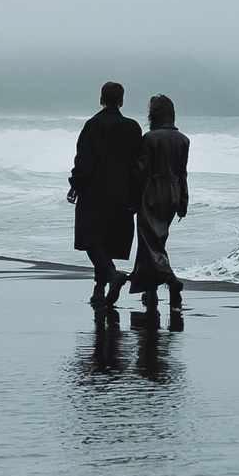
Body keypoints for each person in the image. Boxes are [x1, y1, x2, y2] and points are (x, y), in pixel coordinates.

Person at [68, 81, 143, 308]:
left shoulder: (94, 124)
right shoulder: (133, 128)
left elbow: (84, 160)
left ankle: (111, 275)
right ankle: (99, 290)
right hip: (123, 193)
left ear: (101, 99)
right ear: (121, 101)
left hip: (95, 192)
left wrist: (75, 184)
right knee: (108, 241)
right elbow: (138, 165)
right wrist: (136, 195)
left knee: (90, 238)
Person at [128, 93, 190, 322]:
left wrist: (131, 198)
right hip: (173, 191)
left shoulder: (150, 138)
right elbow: (183, 173)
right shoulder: (183, 140)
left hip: (152, 190)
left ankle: (171, 280)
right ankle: (149, 291)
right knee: (157, 240)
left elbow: (140, 171)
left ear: (154, 114)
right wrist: (184, 200)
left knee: (149, 240)